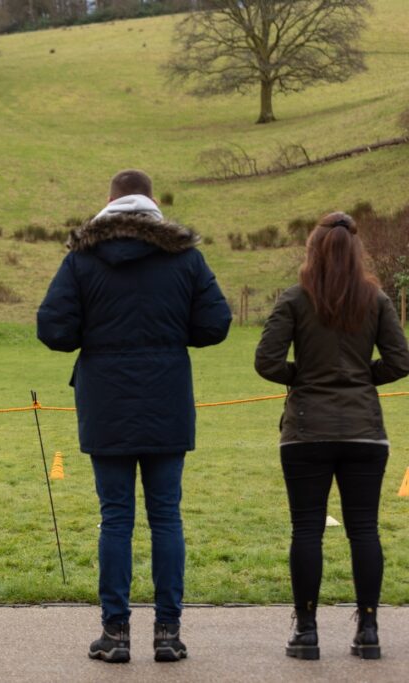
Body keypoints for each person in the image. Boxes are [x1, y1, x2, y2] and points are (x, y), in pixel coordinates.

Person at [37, 170, 231, 663]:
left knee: (115, 518)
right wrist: (171, 333)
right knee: (166, 516)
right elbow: (215, 323)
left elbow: (54, 329)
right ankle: (168, 632)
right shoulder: (184, 257)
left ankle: (116, 632)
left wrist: (94, 332)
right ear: (152, 202)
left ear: (109, 201)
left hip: (106, 402)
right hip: (167, 397)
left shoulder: (82, 259)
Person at [255, 212, 409, 661]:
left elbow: (266, 361)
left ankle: (306, 632)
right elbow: (400, 361)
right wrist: (360, 377)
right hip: (363, 429)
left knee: (306, 528)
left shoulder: (294, 299)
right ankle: (368, 629)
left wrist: (303, 377)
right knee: (364, 529)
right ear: (357, 252)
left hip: (307, 429)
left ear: (313, 251)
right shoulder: (376, 298)